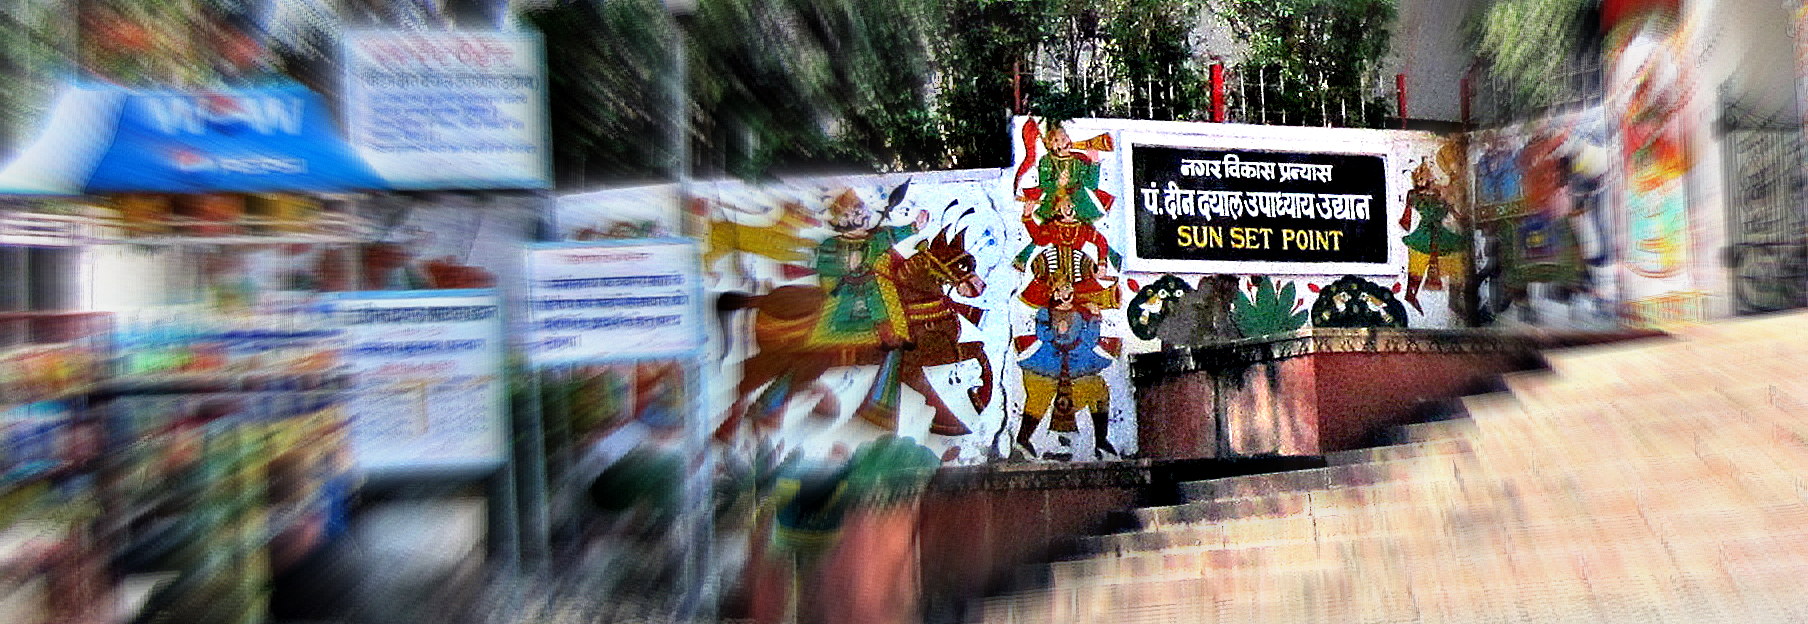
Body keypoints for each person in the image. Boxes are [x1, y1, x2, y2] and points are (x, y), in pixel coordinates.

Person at [809, 189, 928, 352]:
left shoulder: (875, 239)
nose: (865, 216)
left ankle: (893, 343)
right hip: (845, 294)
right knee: (825, 330)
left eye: (863, 211)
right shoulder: (830, 245)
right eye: (857, 213)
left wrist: (914, 227)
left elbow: (893, 235)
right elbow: (826, 272)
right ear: (843, 220)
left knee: (891, 321)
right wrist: (846, 266)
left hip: (875, 293)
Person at [1012, 284, 1120, 461]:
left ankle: (1101, 441)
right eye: (1062, 289)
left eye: (1069, 289)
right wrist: (1057, 330)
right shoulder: (1045, 312)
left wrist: (1094, 318)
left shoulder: (1080, 313)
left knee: (1099, 390)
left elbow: (1090, 339)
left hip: (1078, 362)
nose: (1066, 293)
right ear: (1055, 293)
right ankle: (1022, 441)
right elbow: (1042, 335)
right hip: (1049, 362)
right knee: (1038, 399)